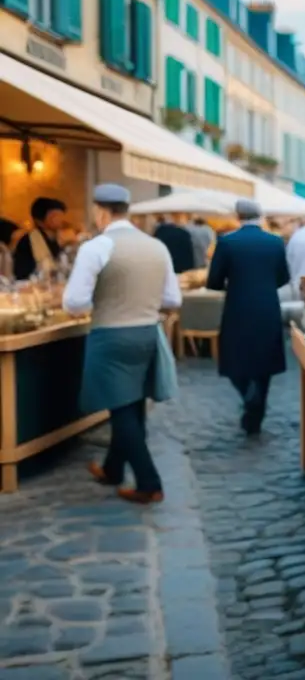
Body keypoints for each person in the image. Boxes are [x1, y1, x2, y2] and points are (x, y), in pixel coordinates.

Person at [64, 184, 181, 504]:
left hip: (111, 335)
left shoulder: (96, 247)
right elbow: (173, 298)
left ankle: (149, 482)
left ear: (99, 211)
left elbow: (74, 302)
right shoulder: (157, 247)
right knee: (131, 403)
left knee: (121, 410)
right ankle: (112, 469)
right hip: (146, 333)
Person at [207, 199, 290, 435]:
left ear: (237, 216)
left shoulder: (227, 242)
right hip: (267, 306)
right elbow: (284, 277)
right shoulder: (275, 242)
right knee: (265, 360)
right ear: (260, 216)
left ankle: (247, 394)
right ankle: (256, 415)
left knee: (235, 357)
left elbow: (213, 281)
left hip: (237, 307)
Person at [13, 197, 66, 280]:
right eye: (55, 216)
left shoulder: (59, 239)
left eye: (61, 215)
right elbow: (21, 273)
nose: (61, 220)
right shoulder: (27, 241)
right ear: (39, 220)